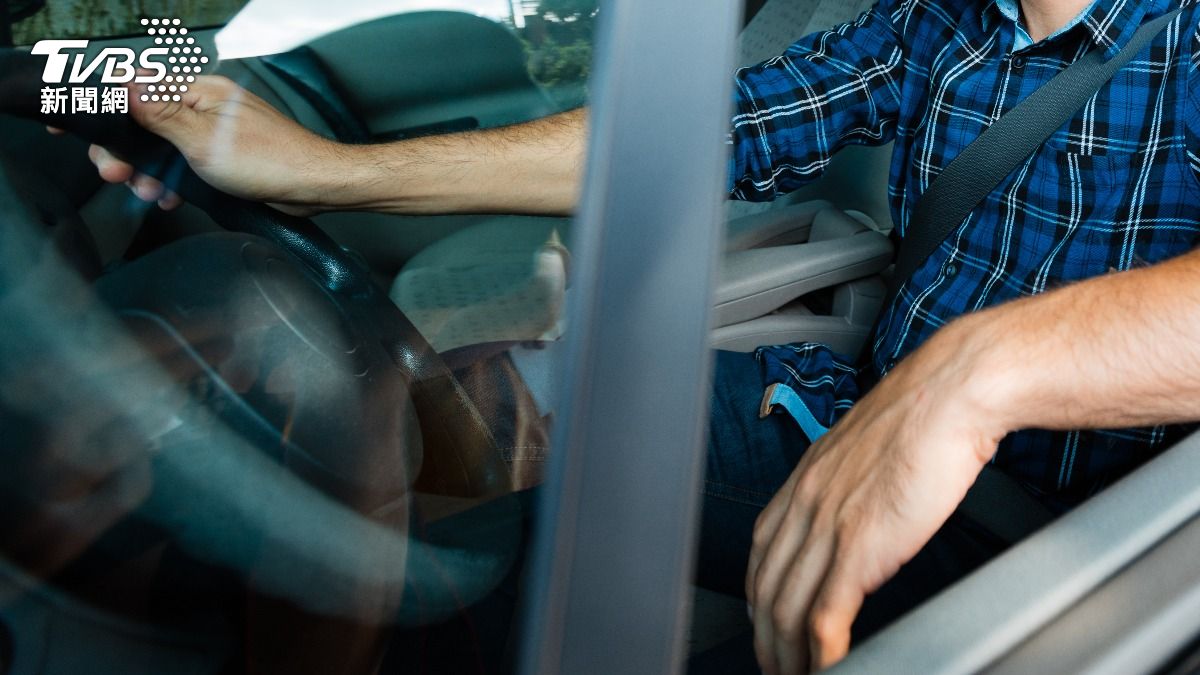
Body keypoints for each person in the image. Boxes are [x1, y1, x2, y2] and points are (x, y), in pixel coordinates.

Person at [75, 0, 1200, 672]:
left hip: (1072, 539)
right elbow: (682, 136)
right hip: (841, 408)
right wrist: (322, 173)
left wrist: (980, 372)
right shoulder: (937, 25)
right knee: (449, 433)